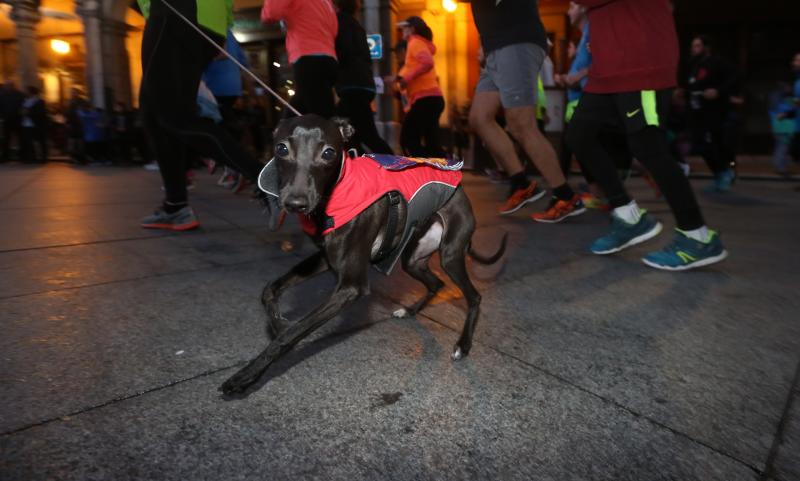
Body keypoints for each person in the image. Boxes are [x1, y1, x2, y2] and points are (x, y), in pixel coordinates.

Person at [567, 0, 727, 271]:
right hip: (608, 68)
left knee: (647, 147)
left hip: (638, 65)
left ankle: (697, 236)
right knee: (579, 135)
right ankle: (629, 217)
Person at [136, 0, 267, 231]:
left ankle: (265, 178)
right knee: (156, 112)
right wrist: (223, 26)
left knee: (173, 116)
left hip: (174, 10)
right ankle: (176, 205)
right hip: (204, 18)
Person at [468, 0, 584, 222]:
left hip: (515, 41)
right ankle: (521, 183)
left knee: (521, 124)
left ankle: (565, 196)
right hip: (497, 46)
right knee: (480, 118)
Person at [334, 0, 393, 154]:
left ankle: (395, 168)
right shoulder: (357, 26)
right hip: (362, 85)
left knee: (364, 134)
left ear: (336, 6)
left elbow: (343, 51)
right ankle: (360, 165)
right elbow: (365, 57)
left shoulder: (339, 22)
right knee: (352, 133)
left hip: (352, 86)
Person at [262, 0, 338, 118]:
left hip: (307, 57)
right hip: (329, 58)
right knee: (306, 108)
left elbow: (270, 13)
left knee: (319, 117)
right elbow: (334, 29)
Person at [388, 16, 446, 158]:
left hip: (425, 99)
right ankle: (446, 175)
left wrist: (403, 79)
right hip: (432, 99)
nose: (402, 32)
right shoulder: (420, 44)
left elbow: (427, 62)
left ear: (412, 29)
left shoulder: (414, 42)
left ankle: (421, 173)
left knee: (408, 140)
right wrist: (398, 81)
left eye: (404, 29)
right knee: (432, 144)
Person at [685, 35, 738, 192]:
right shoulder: (693, 64)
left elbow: (736, 77)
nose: (694, 49)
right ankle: (720, 173)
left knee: (716, 143)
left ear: (706, 47)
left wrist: (718, 91)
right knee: (699, 144)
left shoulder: (717, 62)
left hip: (715, 111)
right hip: (697, 112)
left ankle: (725, 172)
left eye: (697, 46)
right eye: (693, 46)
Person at [19, 86, 47, 163]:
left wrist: (29, 113)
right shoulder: (25, 101)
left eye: (27, 91)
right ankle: (31, 157)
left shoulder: (39, 101)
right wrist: (22, 112)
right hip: (26, 124)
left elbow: (40, 113)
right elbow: (22, 110)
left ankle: (42, 157)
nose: (25, 92)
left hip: (36, 124)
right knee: (28, 141)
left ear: (31, 92)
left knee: (40, 141)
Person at [1, 82, 25, 162]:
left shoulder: (19, 95)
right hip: (9, 119)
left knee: (20, 138)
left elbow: (23, 106)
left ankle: (22, 156)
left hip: (17, 119)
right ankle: (6, 157)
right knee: (7, 138)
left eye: (6, 86)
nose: (5, 87)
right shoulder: (2, 95)